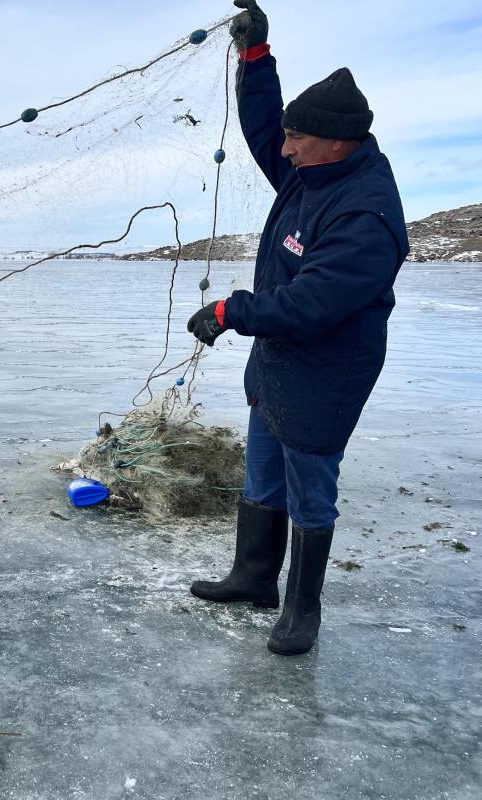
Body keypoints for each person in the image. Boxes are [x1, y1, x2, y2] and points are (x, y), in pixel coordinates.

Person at [185, 0, 410, 655]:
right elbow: (264, 130)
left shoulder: (366, 216)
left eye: (296, 140)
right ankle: (254, 576)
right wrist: (256, 58)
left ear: (334, 142)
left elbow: (314, 304)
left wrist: (234, 312)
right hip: (279, 362)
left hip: (326, 372)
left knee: (311, 484)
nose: (282, 150)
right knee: (262, 468)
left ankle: (301, 608)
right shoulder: (313, 169)